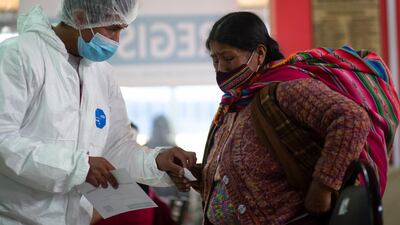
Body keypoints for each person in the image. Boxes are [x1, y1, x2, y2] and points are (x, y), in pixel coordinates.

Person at [171, 12, 400, 225]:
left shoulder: (284, 90)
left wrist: (322, 186)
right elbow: (248, 171)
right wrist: (200, 175)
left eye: (228, 58)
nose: (220, 68)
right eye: (215, 60)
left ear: (259, 54)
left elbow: (352, 119)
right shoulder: (236, 103)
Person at [0, 1, 196, 225]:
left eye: (121, 30)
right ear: (81, 17)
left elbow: (117, 148)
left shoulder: (102, 74)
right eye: (112, 29)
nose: (116, 41)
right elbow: (3, 139)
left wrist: (156, 161)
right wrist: (78, 167)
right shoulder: (18, 56)